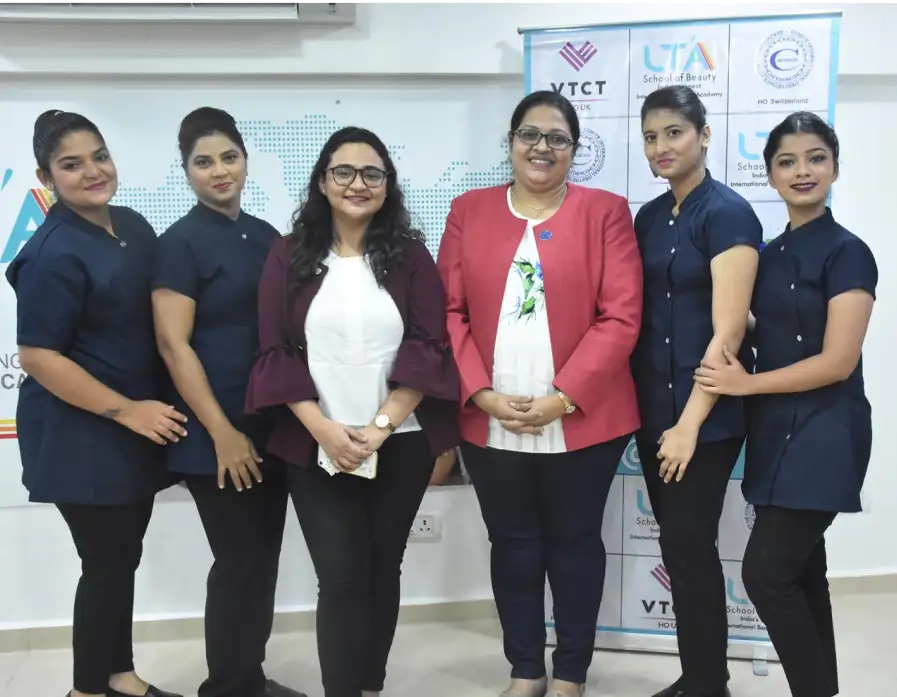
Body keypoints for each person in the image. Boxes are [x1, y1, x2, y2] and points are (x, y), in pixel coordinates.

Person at [437, 90, 643, 697]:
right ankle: (526, 669)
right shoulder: (469, 210)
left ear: (574, 150)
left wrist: (564, 397)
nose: (542, 147)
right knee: (513, 545)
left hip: (583, 418)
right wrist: (480, 393)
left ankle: (571, 673)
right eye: (530, 134)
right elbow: (448, 312)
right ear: (510, 142)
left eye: (557, 138)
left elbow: (621, 315)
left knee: (575, 544)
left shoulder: (605, 211)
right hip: (490, 420)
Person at [244, 126, 460, 697]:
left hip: (401, 440)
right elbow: (274, 350)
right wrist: (324, 430)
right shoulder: (289, 255)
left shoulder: (411, 256)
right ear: (323, 181)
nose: (357, 183)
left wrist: (381, 426)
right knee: (341, 575)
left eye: (372, 173)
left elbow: (428, 345)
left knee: (382, 567)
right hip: (315, 442)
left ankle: (369, 686)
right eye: (343, 171)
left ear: (388, 184)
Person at [5, 110, 187, 697]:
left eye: (99, 156)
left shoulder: (130, 224)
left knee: (120, 559)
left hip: (130, 429)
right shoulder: (52, 252)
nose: (93, 172)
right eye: (71, 164)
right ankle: (86, 690)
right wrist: (128, 410)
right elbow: (39, 356)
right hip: (80, 431)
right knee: (107, 563)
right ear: (46, 177)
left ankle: (118, 676)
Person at [695, 112, 876, 697]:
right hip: (774, 430)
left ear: (835, 167)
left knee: (766, 574)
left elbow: (837, 361)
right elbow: (765, 326)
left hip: (826, 432)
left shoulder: (849, 252)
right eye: (787, 161)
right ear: (770, 174)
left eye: (816, 158)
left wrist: (744, 384)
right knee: (803, 573)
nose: (803, 171)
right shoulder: (768, 253)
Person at [151, 107, 305, 697]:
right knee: (241, 561)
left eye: (229, 157)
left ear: (245, 159)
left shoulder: (266, 236)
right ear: (186, 170)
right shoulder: (179, 244)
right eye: (203, 162)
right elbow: (174, 344)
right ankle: (227, 687)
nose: (219, 171)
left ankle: (247, 678)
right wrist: (221, 432)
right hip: (218, 435)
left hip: (269, 427)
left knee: (261, 560)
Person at [631, 85, 762, 697]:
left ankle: (709, 684)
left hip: (702, 420)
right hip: (653, 413)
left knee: (689, 550)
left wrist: (688, 424)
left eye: (674, 132)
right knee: (681, 552)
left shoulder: (728, 213)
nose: (661, 146)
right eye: (650, 136)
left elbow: (729, 332)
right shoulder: (650, 217)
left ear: (704, 136)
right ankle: (700, 678)